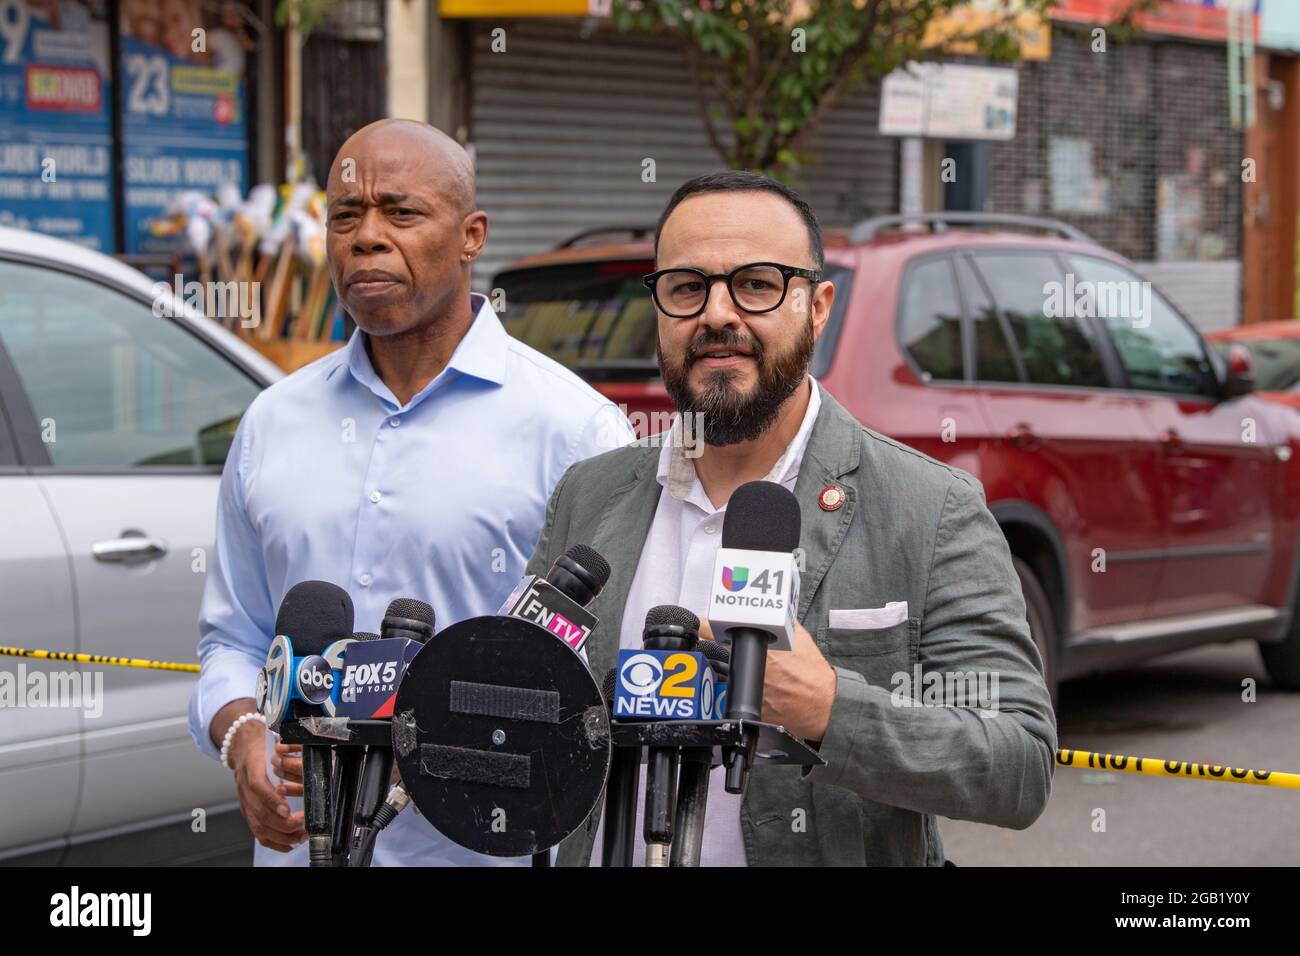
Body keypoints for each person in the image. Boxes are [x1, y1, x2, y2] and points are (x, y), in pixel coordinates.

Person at [525, 170, 1057, 866]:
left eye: (757, 284)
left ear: (818, 305)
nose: (718, 314)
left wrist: (831, 712)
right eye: (687, 287)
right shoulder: (590, 494)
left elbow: (1017, 766)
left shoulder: (930, 510)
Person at [188, 119, 635, 866]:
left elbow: (602, 683)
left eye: (400, 212)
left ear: (471, 236)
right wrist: (242, 736)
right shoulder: (273, 421)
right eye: (344, 215)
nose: (366, 237)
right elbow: (231, 638)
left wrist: (444, 739)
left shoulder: (576, 430)